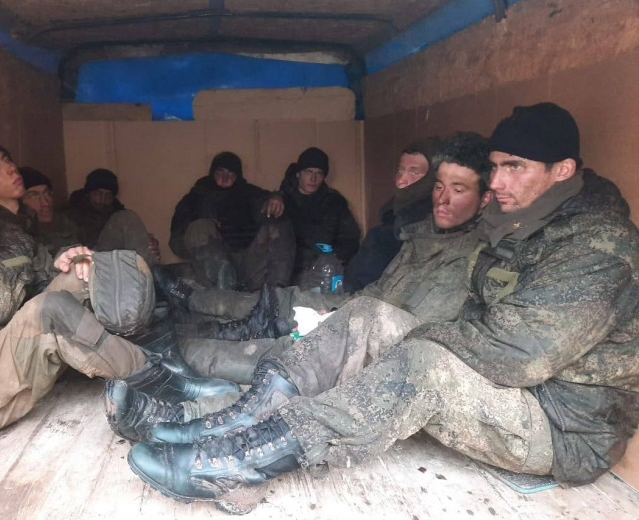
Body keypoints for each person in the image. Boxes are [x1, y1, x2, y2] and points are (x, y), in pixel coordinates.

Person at [125, 103, 639, 501]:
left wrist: (408, 343)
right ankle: (237, 420)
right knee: (369, 316)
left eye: (515, 167)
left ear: (563, 170)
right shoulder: (526, 220)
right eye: (497, 167)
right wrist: (389, 333)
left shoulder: (599, 247)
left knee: (423, 362)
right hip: (503, 384)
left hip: (560, 425)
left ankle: (242, 460)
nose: (499, 181)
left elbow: (519, 354)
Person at [0, 140, 237, 480]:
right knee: (51, 311)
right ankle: (164, 387)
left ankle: (165, 360)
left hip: (2, 355)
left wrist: (68, 259)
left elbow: (41, 276)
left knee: (92, 271)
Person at [110, 131, 492, 418]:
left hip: (358, 330)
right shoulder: (418, 234)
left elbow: (408, 330)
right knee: (274, 318)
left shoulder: (468, 256)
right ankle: (177, 337)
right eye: (438, 186)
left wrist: (333, 284)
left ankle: (177, 401)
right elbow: (377, 293)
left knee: (281, 359)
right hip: (340, 306)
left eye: (456, 189)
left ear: (484, 198)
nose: (442, 197)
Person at [169, 151, 295, 291]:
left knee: (278, 220)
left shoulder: (248, 193)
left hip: (249, 264)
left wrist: (275, 199)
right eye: (220, 172)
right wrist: (204, 234)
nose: (224, 178)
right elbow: (176, 242)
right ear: (212, 173)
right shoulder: (194, 199)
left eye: (230, 174)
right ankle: (224, 289)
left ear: (237, 176)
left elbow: (262, 203)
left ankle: (275, 292)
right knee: (200, 227)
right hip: (211, 269)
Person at [344, 137, 443, 292]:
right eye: (400, 170)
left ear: (432, 178)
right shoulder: (392, 217)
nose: (401, 180)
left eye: (414, 172)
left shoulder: (433, 224)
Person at [279, 147, 360, 286]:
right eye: (308, 172)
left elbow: (350, 238)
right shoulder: (283, 201)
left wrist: (333, 258)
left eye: (319, 173)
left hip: (324, 271)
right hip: (288, 271)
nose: (313, 178)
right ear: (298, 174)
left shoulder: (334, 202)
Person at [67, 168, 160, 266]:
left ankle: (151, 269)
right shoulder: (72, 215)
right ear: (88, 193)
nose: (101, 200)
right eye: (97, 194)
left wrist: (147, 244)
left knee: (128, 219)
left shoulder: (117, 214)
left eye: (107, 196)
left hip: (116, 263)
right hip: (88, 261)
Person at [18, 166, 80, 257]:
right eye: (33, 196)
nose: (45, 203)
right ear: (19, 202)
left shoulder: (65, 224)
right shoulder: (18, 234)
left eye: (47, 194)